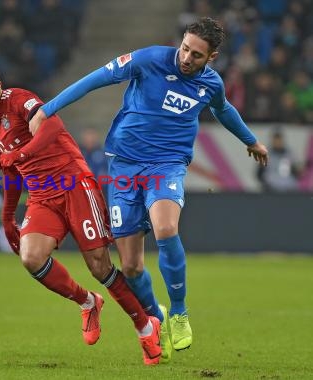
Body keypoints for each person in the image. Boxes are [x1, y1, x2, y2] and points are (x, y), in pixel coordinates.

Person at [29, 17, 269, 363]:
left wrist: (251, 140)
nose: (186, 58)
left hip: (167, 165)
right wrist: (47, 109)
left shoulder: (210, 84)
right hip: (124, 165)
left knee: (166, 227)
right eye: (185, 48)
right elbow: (96, 78)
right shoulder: (149, 59)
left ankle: (179, 313)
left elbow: (224, 110)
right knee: (130, 267)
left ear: (211, 57)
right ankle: (154, 315)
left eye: (197, 55)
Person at [0, 59, 162, 365]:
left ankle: (145, 325)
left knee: (99, 266)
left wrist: (21, 152)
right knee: (31, 258)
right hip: (42, 197)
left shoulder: (18, 100)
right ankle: (88, 302)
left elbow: (52, 125)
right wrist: (7, 218)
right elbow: (12, 170)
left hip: (74, 184)